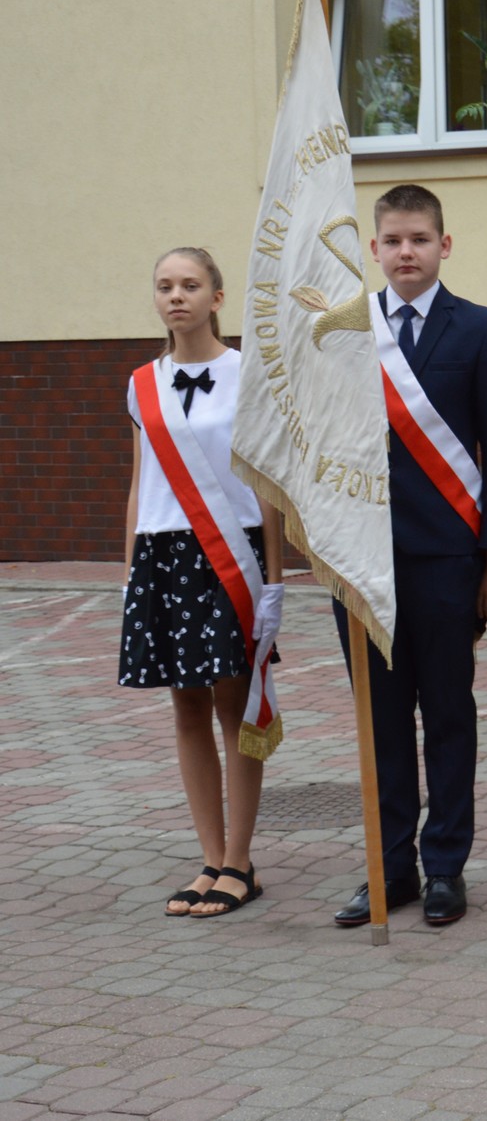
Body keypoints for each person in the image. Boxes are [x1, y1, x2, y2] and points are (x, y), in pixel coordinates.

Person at [331, 184, 487, 928]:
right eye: (392, 240)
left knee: (446, 714)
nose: (405, 252)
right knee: (380, 723)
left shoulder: (480, 329)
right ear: (373, 249)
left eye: (418, 239)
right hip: (362, 561)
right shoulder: (343, 332)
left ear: (444, 245)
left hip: (448, 560)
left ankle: (445, 866)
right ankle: (390, 870)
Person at [121, 247, 286, 918]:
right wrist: (129, 574)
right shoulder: (142, 384)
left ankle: (241, 862)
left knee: (233, 705)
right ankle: (211, 857)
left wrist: (275, 579)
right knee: (185, 708)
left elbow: (268, 485)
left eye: (190, 285)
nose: (176, 296)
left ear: (217, 298)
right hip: (163, 554)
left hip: (230, 553)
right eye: (165, 286)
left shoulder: (250, 375)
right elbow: (141, 483)